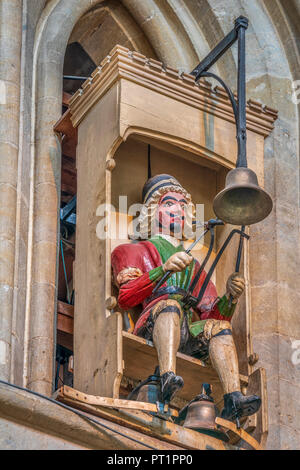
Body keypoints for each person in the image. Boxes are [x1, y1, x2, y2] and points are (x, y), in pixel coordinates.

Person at [112, 174, 261, 421]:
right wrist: (164, 269)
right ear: (151, 211)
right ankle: (167, 377)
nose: (178, 210)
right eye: (169, 203)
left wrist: (231, 298)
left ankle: (233, 397)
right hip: (153, 323)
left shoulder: (193, 266)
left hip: (186, 331)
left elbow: (212, 314)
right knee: (170, 305)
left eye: (183, 206)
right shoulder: (130, 251)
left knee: (220, 327)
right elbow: (126, 297)